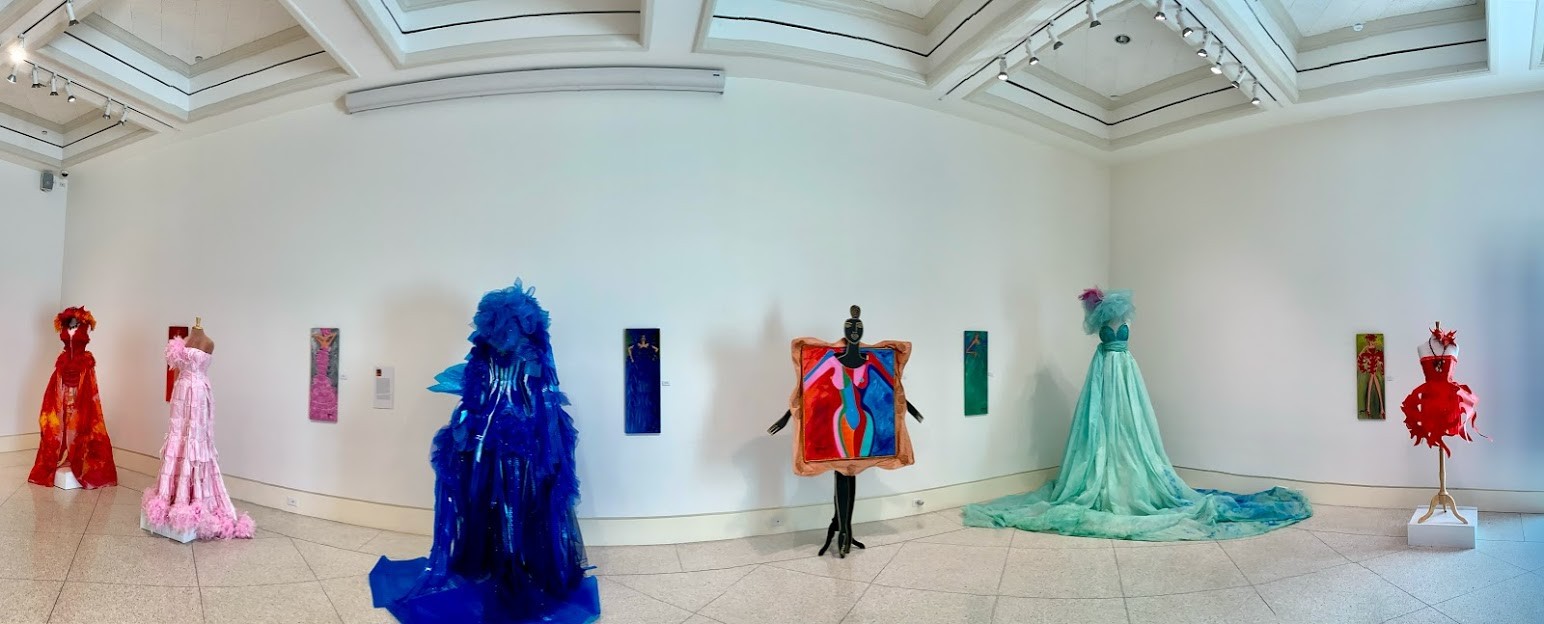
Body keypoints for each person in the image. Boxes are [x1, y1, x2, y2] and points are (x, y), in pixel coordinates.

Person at [963, 288, 1311, 541]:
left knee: (1134, 432)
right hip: (1104, 376)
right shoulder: (1100, 320)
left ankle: (1131, 481)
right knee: (1100, 431)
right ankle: (1105, 481)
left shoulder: (1120, 315)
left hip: (1126, 375)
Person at [369, 280, 599, 624]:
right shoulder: (488, 353)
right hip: (491, 436)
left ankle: (514, 566)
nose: (504, 335)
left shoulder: (527, 353)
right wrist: (467, 422)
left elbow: (540, 398)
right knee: (490, 499)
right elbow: (482, 394)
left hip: (517, 438)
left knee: (516, 500)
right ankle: (498, 563)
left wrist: (546, 441)